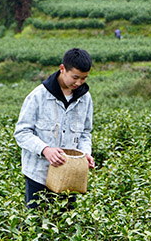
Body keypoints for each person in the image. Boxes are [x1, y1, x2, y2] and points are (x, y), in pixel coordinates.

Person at [14, 48, 95, 209]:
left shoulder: (85, 98)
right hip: (39, 174)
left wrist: (85, 153)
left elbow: (85, 132)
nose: (78, 83)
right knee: (36, 224)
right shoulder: (38, 96)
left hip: (69, 174)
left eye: (84, 78)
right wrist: (45, 150)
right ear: (62, 69)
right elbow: (22, 133)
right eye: (75, 77)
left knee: (66, 225)